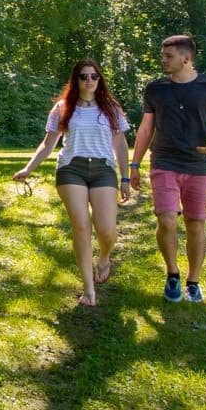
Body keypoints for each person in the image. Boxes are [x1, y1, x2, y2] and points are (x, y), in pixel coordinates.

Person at [14, 59, 135, 307]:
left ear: (99, 79)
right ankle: (88, 288)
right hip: (71, 168)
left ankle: (103, 258)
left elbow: (120, 144)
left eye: (93, 76)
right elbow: (48, 143)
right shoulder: (63, 107)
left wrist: (125, 177)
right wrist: (28, 168)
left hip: (103, 170)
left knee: (107, 230)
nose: (89, 81)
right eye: (83, 76)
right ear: (75, 80)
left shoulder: (111, 107)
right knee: (81, 226)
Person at [128, 35, 206, 303]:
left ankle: (193, 281)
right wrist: (134, 164)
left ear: (187, 58)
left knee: (196, 223)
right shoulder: (155, 89)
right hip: (164, 162)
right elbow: (146, 128)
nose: (163, 60)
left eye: (168, 56)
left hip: (198, 165)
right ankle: (172, 273)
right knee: (167, 219)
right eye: (163, 55)